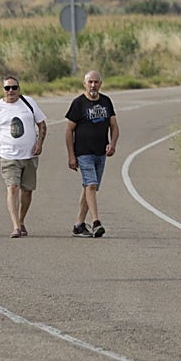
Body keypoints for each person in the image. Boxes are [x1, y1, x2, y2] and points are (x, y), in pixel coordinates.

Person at [0, 76, 47, 238]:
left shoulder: (28, 102)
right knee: (12, 188)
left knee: (27, 191)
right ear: (3, 90)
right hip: (8, 156)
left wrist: (40, 143)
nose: (11, 91)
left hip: (29, 155)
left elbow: (42, 124)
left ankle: (21, 220)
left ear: (19, 89)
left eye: (14, 88)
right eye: (7, 88)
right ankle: (15, 226)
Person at [64, 70, 119, 238]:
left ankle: (78, 224)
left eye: (96, 82)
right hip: (83, 152)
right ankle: (96, 222)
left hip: (100, 152)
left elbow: (114, 126)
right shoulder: (78, 103)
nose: (93, 85)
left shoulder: (106, 101)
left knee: (89, 188)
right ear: (85, 84)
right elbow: (68, 131)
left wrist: (112, 144)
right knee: (91, 185)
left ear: (100, 83)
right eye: (90, 82)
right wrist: (71, 156)